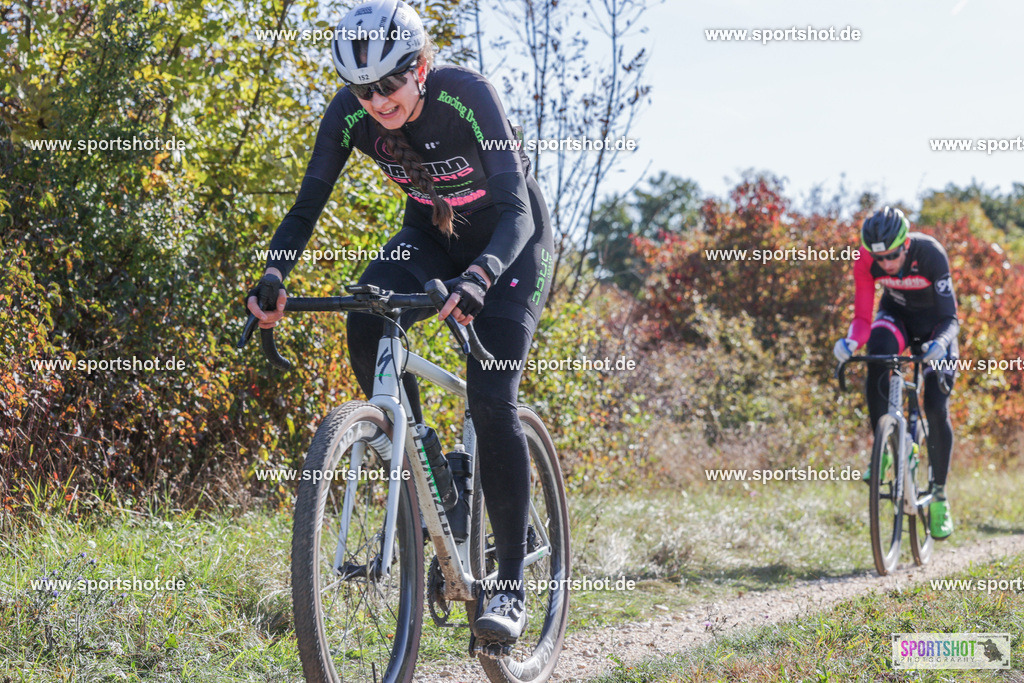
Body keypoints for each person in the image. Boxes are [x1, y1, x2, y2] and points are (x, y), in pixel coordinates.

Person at [246, 0, 553, 647]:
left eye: (389, 83)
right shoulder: (350, 114)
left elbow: (517, 209)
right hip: (433, 238)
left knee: (491, 393)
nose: (377, 100)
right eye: (363, 89)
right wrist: (275, 276)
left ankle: (509, 585)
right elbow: (307, 206)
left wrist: (480, 278)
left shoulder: (468, 96)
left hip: (511, 242)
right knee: (366, 313)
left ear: (420, 67)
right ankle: (431, 476)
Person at [833, 207, 959, 539]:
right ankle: (889, 444)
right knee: (876, 352)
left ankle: (940, 495)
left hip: (936, 329)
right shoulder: (866, 260)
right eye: (880, 258)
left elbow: (950, 318)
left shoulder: (930, 254)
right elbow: (862, 317)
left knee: (934, 405)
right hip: (897, 318)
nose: (886, 264)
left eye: (892, 255)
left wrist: (940, 344)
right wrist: (849, 341)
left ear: (905, 244)